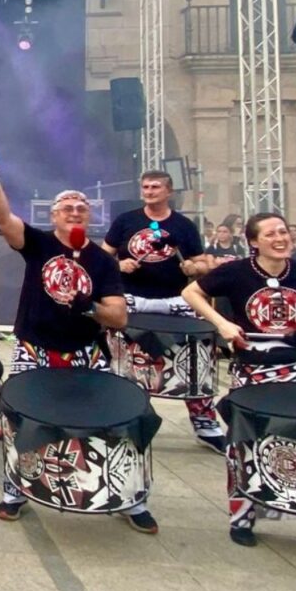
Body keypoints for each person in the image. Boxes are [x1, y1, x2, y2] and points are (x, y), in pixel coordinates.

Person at [0, 153, 149, 532]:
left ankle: (129, 495)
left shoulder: (102, 261)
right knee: (21, 420)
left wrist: (89, 306)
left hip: (85, 352)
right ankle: (15, 489)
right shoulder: (38, 244)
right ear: (53, 216)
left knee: (109, 421)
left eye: (81, 208)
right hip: (34, 348)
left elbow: (119, 317)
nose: (74, 212)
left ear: (90, 217)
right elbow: (3, 219)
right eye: (66, 207)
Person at [182, 212, 296, 559]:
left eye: (283, 231)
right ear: (254, 242)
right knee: (247, 441)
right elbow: (191, 291)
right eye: (270, 234)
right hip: (255, 368)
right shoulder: (235, 271)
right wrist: (222, 324)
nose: (280, 238)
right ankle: (243, 516)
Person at [101, 170, 222, 452]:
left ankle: (205, 423)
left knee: (195, 362)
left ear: (169, 191)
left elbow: (202, 264)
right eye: (145, 187)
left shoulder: (183, 226)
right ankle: (125, 418)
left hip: (175, 301)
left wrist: (193, 268)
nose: (149, 191)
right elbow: (101, 257)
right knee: (125, 364)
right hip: (132, 300)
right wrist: (118, 265)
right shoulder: (126, 221)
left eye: (155, 187)